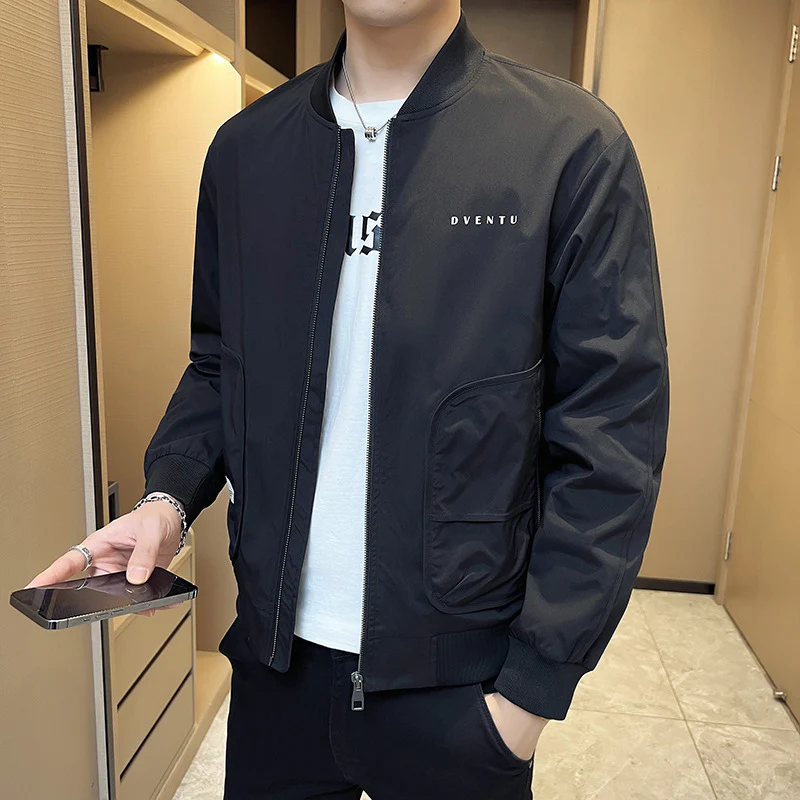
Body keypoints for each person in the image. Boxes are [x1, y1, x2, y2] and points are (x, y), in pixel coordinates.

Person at [29, 2, 669, 797]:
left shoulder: (568, 145)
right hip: (275, 670)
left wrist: (527, 698)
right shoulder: (246, 151)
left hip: (461, 684)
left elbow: (612, 434)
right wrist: (168, 499)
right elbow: (220, 365)